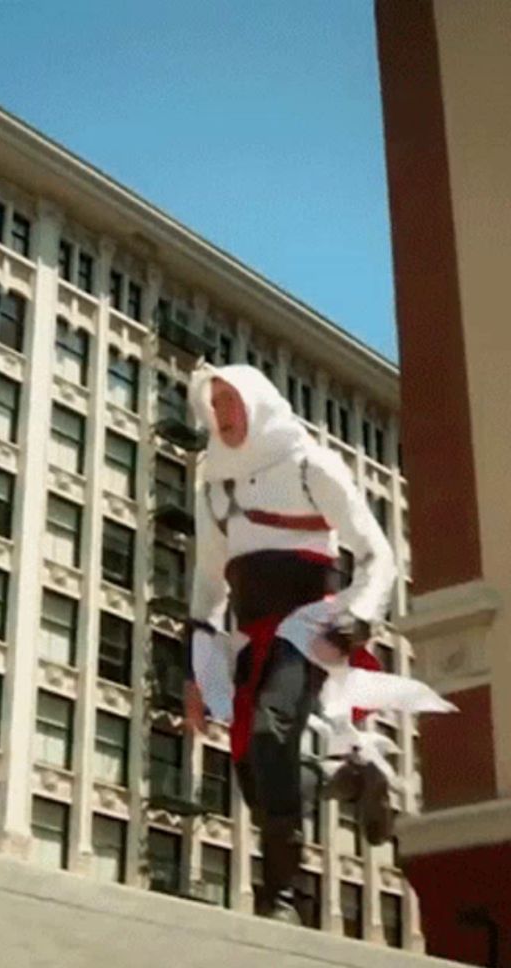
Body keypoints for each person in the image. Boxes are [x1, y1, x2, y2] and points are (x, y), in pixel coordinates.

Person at [183, 363, 453, 924]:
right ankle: (350, 776)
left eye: (231, 400)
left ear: (256, 401)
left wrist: (358, 615)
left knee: (271, 728)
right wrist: (197, 675)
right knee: (250, 767)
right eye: (214, 403)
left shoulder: (310, 463)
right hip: (248, 631)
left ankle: (280, 892)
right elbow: (209, 586)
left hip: (309, 622)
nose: (223, 414)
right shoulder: (211, 485)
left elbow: (376, 552)